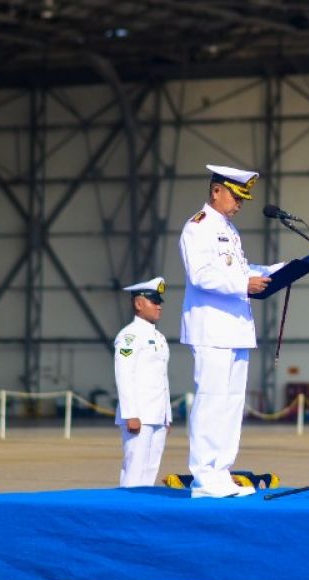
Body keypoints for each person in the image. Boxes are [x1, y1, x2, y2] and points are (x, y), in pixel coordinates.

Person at [178, 164, 282, 499]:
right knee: (211, 401)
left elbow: (237, 270)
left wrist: (276, 272)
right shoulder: (199, 227)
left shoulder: (228, 230)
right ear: (216, 191)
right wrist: (243, 282)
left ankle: (221, 471)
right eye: (236, 196)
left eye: (243, 198)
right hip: (211, 327)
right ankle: (204, 477)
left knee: (232, 403)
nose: (240, 204)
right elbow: (201, 275)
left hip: (235, 328)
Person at [113, 277, 172, 487]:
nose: (158, 306)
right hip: (139, 414)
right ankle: (125, 512)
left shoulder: (159, 337)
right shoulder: (129, 336)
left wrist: (167, 415)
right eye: (153, 301)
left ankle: (142, 513)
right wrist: (130, 414)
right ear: (139, 304)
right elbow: (124, 375)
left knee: (150, 470)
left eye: (159, 302)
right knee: (135, 469)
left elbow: (161, 378)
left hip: (156, 414)